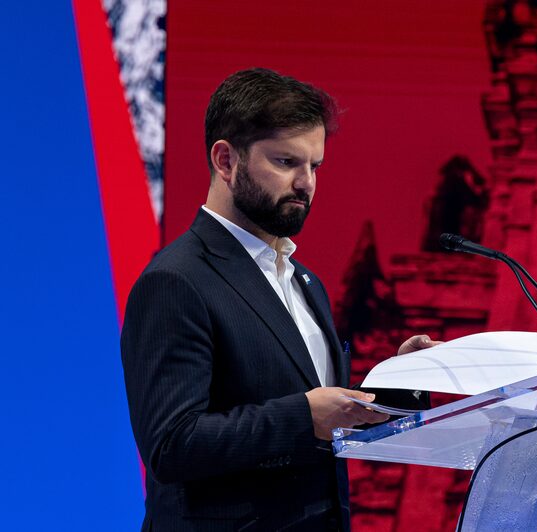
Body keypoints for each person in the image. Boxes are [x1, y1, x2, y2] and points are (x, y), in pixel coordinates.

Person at [121, 68, 437, 532]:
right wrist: (304, 415)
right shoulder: (176, 280)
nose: (306, 183)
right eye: (287, 162)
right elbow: (172, 444)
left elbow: (327, 421)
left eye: (315, 166)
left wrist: (400, 385)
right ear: (226, 161)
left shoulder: (304, 281)